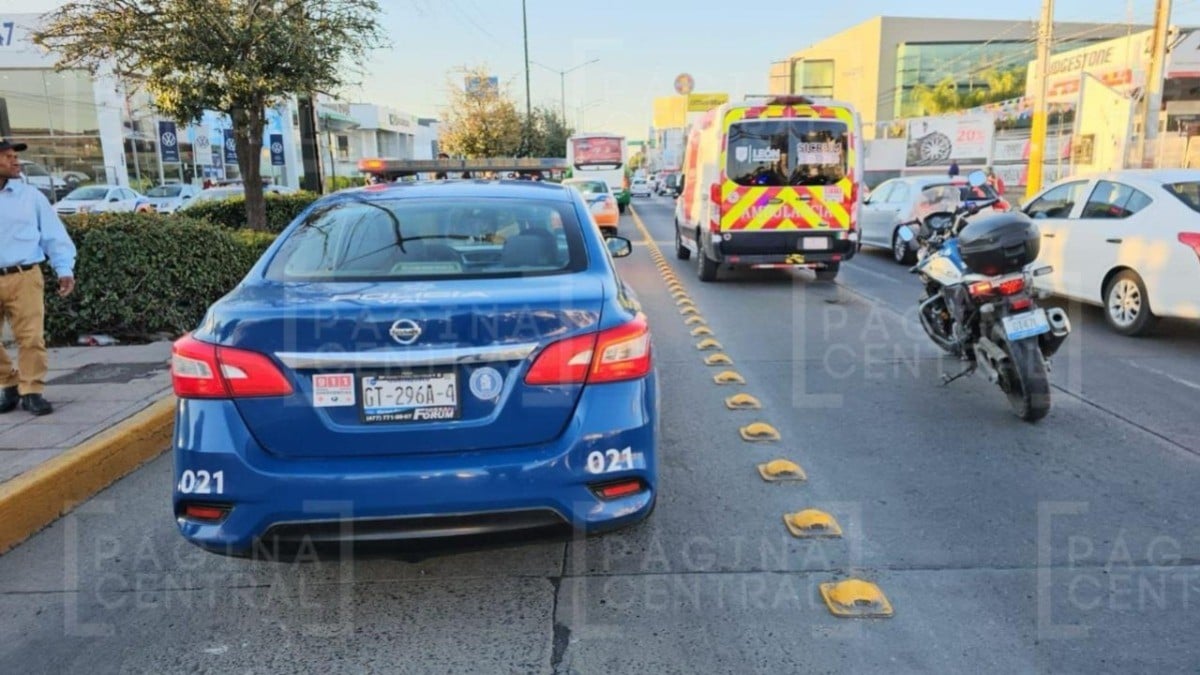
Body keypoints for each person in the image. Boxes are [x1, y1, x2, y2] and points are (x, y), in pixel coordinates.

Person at [0, 139, 77, 416]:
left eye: (14, 155)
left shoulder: (30, 197)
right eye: (7, 156)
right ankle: (8, 383)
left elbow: (54, 235)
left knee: (31, 337)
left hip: (24, 276)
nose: (15, 160)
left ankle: (31, 390)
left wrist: (64, 269)